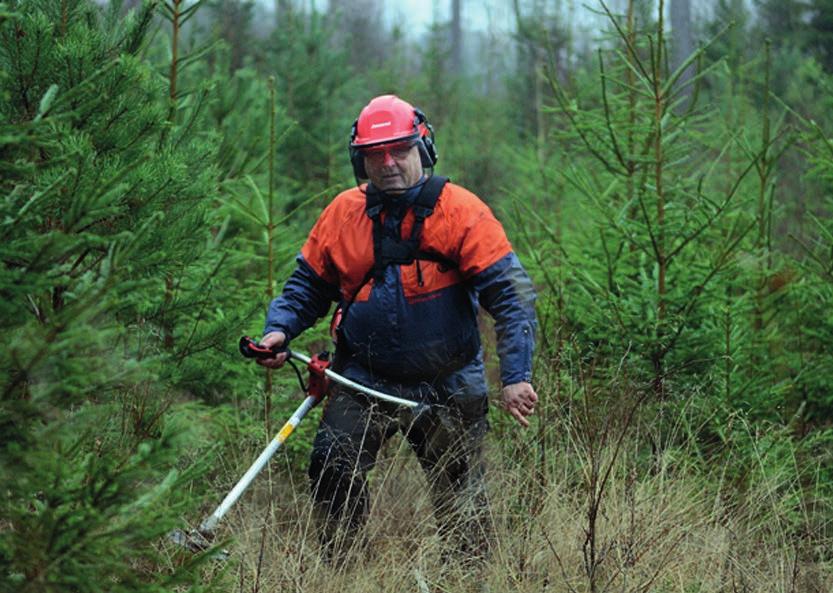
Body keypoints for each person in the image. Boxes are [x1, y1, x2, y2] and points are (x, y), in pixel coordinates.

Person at [256, 94, 537, 565]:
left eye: (399, 150)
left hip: (449, 380)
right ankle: (344, 573)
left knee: (463, 496)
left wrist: (516, 376)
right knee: (331, 467)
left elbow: (511, 297)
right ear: (360, 159)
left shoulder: (462, 211)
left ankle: (464, 579)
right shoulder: (343, 213)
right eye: (375, 154)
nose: (387, 164)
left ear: (422, 148)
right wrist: (278, 331)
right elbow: (306, 287)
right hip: (362, 377)